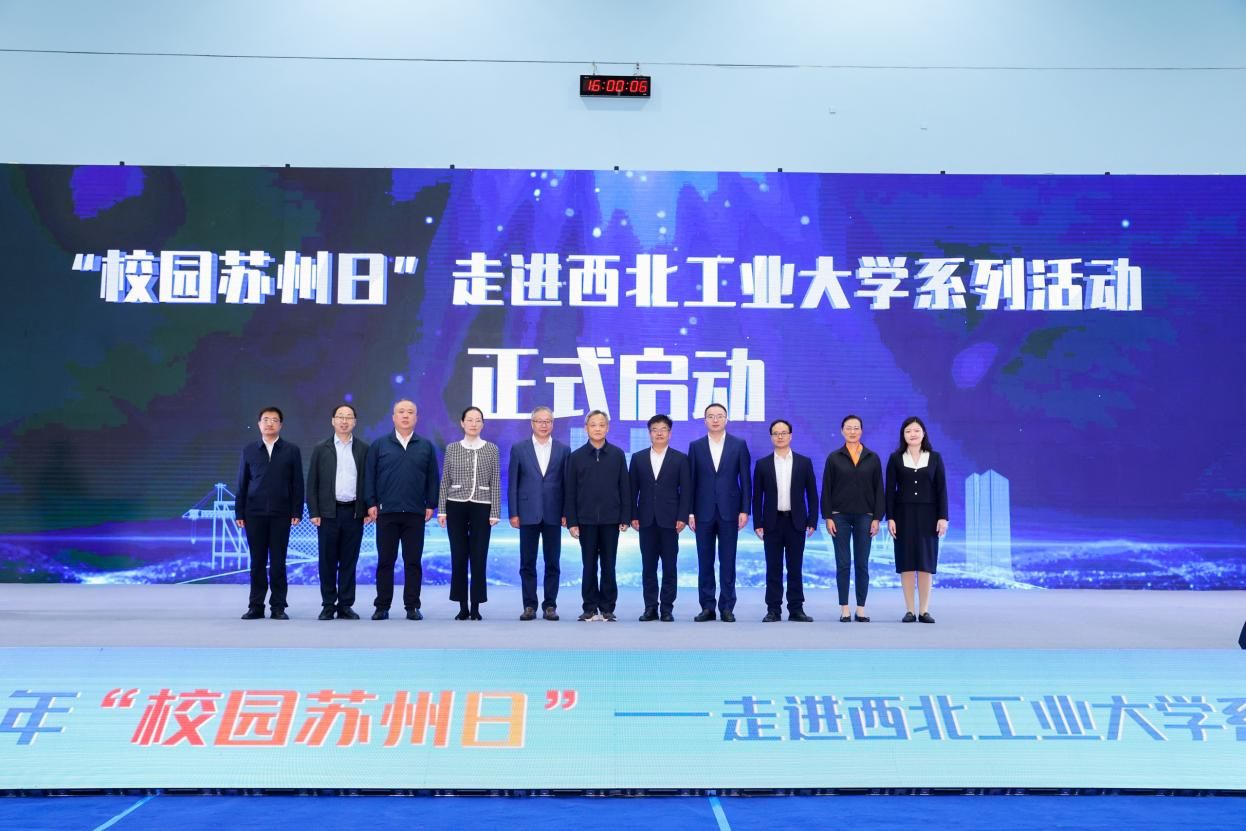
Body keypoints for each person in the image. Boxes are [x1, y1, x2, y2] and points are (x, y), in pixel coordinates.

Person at [365, 399, 439, 621]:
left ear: (416, 417)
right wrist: (370, 502)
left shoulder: (425, 446)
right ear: (393, 417)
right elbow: (369, 476)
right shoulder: (379, 445)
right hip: (386, 512)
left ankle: (412, 606)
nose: (405, 415)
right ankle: (382, 606)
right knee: (385, 561)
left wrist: (431, 504)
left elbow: (432, 478)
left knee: (413, 562)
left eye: (410, 412)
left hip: (415, 513)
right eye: (401, 412)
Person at [235, 406, 303, 620]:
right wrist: (239, 512)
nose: (269, 423)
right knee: (257, 562)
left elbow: (297, 483)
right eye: (265, 419)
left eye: (274, 420)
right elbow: (241, 483)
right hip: (254, 513)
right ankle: (256, 605)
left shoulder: (291, 450)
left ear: (280, 425)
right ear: (259, 424)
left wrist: (297, 510)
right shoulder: (249, 450)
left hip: (281, 513)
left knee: (278, 562)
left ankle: (278, 606)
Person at [306, 403, 371, 620]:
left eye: (349, 417)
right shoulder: (321, 448)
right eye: (340, 416)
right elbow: (312, 482)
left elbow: (368, 481)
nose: (344, 421)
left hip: (354, 512)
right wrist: (314, 511)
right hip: (328, 513)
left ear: (355, 422)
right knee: (327, 561)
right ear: (333, 421)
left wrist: (367, 508)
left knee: (349, 561)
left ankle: (345, 605)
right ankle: (328, 605)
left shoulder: (363, 449)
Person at [687, 403, 751, 622]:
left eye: (719, 416)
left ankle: (727, 607)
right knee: (705, 561)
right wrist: (690, 512)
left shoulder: (738, 444)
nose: (715, 420)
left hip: (730, 511)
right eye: (711, 416)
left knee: (728, 560)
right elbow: (690, 482)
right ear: (705, 420)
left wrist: (745, 509)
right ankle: (707, 607)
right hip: (702, 512)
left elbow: (745, 479)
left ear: (726, 419)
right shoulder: (696, 446)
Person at [564, 410, 630, 622]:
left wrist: (625, 517)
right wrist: (572, 521)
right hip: (586, 520)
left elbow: (625, 487)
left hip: (611, 519)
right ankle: (590, 607)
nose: (598, 429)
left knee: (609, 565)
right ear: (586, 428)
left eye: (602, 425)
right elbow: (570, 491)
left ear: (607, 428)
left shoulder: (617, 455)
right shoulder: (576, 457)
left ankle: (608, 607)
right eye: (593, 425)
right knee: (589, 565)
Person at [438, 407, 501, 620]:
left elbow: (496, 481)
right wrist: (442, 510)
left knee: (479, 556)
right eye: (470, 420)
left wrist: (495, 511)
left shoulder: (491, 449)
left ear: (483, 424)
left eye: (478, 420)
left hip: (482, 506)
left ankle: (476, 606)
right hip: (455, 505)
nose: (474, 424)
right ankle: (462, 606)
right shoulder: (452, 448)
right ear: (462, 423)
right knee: (458, 555)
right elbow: (445, 480)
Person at [752, 419, 818, 622]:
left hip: (796, 522)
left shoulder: (803, 462)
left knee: (795, 567)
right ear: (771, 436)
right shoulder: (762, 464)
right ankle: (773, 609)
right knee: (773, 568)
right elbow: (757, 496)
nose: (780, 436)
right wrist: (757, 523)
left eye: (783, 433)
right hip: (771, 522)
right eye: (776, 433)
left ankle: (796, 609)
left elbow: (812, 494)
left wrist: (812, 520)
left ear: (790, 435)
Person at [821, 414, 885, 623]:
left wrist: (877, 517)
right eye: (848, 428)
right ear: (842, 431)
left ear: (861, 431)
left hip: (865, 516)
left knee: (862, 563)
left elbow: (879, 489)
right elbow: (826, 489)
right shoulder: (834, 457)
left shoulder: (872, 457)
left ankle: (861, 608)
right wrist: (828, 516)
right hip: (839, 516)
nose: (852, 431)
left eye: (856, 428)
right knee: (843, 563)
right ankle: (844, 608)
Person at [885, 416, 949, 623]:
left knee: (925, 563)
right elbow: (889, 491)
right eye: (908, 431)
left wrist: (943, 517)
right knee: (906, 562)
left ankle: (924, 610)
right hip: (902, 516)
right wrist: (890, 517)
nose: (912, 434)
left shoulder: (935, 457)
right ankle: (910, 610)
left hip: (929, 516)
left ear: (924, 433)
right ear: (903, 435)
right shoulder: (895, 458)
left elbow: (941, 489)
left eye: (916, 430)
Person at [507, 405, 569, 621]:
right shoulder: (519, 448)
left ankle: (550, 605)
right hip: (527, 513)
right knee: (527, 562)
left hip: (554, 513)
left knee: (553, 562)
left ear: (553, 424)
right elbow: (513, 483)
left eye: (548, 421)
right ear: (532, 423)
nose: (544, 425)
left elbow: (567, 484)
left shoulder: (563, 449)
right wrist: (513, 512)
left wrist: (566, 512)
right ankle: (529, 606)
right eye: (540, 421)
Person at [629, 414, 691, 622]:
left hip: (671, 521)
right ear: (649, 433)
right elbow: (632, 490)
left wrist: (683, 516)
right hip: (645, 520)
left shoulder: (680, 458)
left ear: (670, 433)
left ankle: (666, 608)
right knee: (648, 567)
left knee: (669, 567)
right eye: (654, 430)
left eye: (663, 429)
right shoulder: (638, 458)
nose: (659, 433)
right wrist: (633, 515)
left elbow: (686, 491)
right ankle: (650, 607)